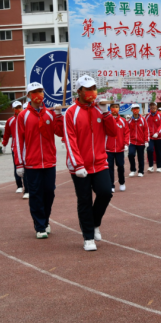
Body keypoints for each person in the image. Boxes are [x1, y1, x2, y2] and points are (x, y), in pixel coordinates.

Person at [63, 75, 117, 251]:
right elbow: (70, 141)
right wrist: (78, 165)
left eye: (94, 88)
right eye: (88, 89)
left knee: (105, 193)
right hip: (80, 166)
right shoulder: (71, 112)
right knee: (84, 200)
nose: (92, 93)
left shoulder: (99, 110)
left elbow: (113, 132)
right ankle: (88, 237)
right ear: (79, 91)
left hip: (100, 162)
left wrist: (106, 112)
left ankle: (95, 224)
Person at [14, 82, 64, 239]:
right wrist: (19, 164)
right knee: (35, 194)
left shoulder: (50, 113)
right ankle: (40, 225)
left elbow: (60, 132)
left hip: (49, 161)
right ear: (28, 95)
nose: (38, 95)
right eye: (34, 92)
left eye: (40, 91)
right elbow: (18, 140)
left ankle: (46, 220)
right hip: (31, 163)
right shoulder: (23, 116)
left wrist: (58, 115)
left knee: (49, 192)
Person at [2, 101, 29, 198]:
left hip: (27, 147)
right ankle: (19, 185)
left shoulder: (26, 118)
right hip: (15, 148)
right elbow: (6, 134)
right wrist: (4, 144)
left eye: (19, 107)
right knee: (17, 166)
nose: (18, 109)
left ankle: (27, 189)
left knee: (27, 168)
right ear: (13, 109)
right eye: (16, 107)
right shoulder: (10, 121)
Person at [106, 102, 129, 193]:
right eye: (113, 107)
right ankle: (111, 185)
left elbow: (126, 133)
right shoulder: (107, 120)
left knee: (120, 166)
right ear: (110, 108)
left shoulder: (123, 121)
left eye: (116, 107)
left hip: (120, 148)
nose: (115, 109)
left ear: (119, 109)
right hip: (109, 148)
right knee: (109, 167)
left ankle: (122, 183)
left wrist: (126, 143)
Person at [127, 103, 149, 177]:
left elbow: (146, 130)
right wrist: (127, 141)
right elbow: (127, 131)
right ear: (131, 110)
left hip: (141, 142)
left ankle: (141, 171)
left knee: (140, 157)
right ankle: (133, 170)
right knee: (130, 154)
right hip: (132, 142)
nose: (135, 110)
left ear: (139, 110)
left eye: (137, 108)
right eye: (134, 109)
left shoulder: (143, 120)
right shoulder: (129, 121)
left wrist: (146, 141)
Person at [146, 102, 161, 173]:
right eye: (151, 105)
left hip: (158, 137)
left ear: (156, 106)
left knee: (158, 152)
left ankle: (159, 167)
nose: (152, 106)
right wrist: (146, 135)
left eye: (153, 105)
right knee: (149, 150)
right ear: (149, 107)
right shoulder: (147, 116)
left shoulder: (160, 115)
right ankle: (151, 166)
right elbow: (145, 126)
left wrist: (157, 132)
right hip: (150, 137)